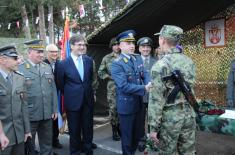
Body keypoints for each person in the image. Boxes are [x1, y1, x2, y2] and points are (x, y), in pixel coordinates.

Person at [148, 25, 196, 155]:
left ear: (162, 40)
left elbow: (156, 100)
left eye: (159, 38)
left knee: (168, 152)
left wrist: (153, 128)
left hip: (170, 119)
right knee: (188, 151)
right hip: (188, 115)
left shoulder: (159, 66)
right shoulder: (189, 61)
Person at [110, 30, 152, 155]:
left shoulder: (137, 59)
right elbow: (123, 86)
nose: (132, 45)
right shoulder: (117, 64)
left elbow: (145, 74)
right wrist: (144, 88)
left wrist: (148, 83)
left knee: (136, 136)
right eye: (128, 43)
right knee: (127, 139)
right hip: (127, 107)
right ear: (120, 46)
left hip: (139, 104)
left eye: (133, 43)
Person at [57, 34, 97, 155]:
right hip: (73, 102)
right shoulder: (63, 64)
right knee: (74, 129)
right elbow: (60, 84)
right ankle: (75, 152)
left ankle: (88, 149)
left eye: (83, 44)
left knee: (88, 128)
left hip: (87, 100)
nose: (82, 47)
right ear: (72, 46)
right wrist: (72, 93)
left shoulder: (89, 61)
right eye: (79, 44)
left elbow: (90, 80)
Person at [19, 40, 58, 155]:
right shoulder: (20, 69)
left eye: (42, 52)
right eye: (38, 52)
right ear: (29, 52)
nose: (41, 55)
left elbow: (53, 89)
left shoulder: (46, 67)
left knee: (47, 143)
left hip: (47, 113)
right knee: (29, 145)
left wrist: (55, 108)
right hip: (30, 114)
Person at [0, 45, 31, 155]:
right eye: (14, 58)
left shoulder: (19, 77)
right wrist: (1, 134)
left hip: (19, 134)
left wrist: (27, 130)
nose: (18, 61)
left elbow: (24, 105)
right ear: (3, 60)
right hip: (3, 136)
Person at [98, 37, 121, 141]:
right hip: (112, 88)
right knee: (113, 109)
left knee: (124, 108)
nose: (116, 47)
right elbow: (100, 72)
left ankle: (122, 129)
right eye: (114, 45)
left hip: (125, 87)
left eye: (118, 44)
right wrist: (109, 77)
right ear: (111, 46)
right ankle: (115, 130)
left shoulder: (125, 56)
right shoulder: (107, 58)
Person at [136, 37, 157, 152]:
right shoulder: (134, 61)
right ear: (139, 48)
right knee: (140, 119)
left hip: (153, 97)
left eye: (148, 47)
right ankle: (141, 139)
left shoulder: (156, 61)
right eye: (143, 47)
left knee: (152, 119)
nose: (146, 49)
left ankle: (151, 140)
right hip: (140, 96)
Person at [44, 44, 63, 149]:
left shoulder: (61, 64)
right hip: (46, 97)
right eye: (52, 52)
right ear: (47, 53)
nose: (55, 54)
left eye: (56, 51)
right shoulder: (42, 64)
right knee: (47, 122)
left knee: (56, 120)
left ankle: (55, 139)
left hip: (58, 96)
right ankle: (47, 144)